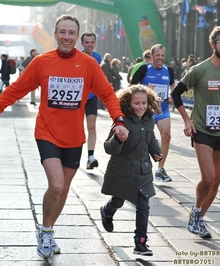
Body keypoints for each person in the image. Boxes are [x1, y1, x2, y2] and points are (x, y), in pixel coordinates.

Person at [0, 14, 128, 259]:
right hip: (46, 133)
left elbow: (108, 94)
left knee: (63, 189)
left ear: (77, 37)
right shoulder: (42, 62)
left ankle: (47, 228)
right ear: (55, 34)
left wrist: (118, 120)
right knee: (56, 184)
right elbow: (15, 91)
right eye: (62, 32)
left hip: (74, 137)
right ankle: (46, 231)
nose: (66, 37)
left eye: (71, 33)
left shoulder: (88, 64)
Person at [171, 25, 220, 239]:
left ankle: (198, 216)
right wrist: (187, 120)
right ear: (212, 44)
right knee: (208, 177)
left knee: (216, 181)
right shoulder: (200, 69)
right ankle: (197, 208)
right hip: (202, 129)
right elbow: (176, 93)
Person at [100, 85, 162, 256]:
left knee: (143, 205)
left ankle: (140, 243)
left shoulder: (149, 118)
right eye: (137, 103)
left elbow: (150, 137)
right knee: (118, 201)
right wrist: (118, 140)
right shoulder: (122, 120)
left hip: (143, 171)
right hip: (123, 171)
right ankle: (107, 211)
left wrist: (156, 151)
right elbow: (108, 148)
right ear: (128, 103)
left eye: (144, 103)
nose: (141, 107)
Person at [131, 44, 175, 182]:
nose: (160, 58)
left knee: (167, 136)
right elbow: (131, 87)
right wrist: (144, 89)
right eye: (158, 55)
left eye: (162, 55)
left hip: (162, 110)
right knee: (143, 140)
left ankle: (160, 170)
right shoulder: (144, 68)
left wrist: (173, 95)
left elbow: (173, 85)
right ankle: (138, 168)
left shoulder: (169, 70)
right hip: (145, 112)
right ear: (151, 56)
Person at [80, 31, 102, 170]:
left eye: (92, 42)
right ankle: (71, 154)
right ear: (82, 43)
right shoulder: (77, 56)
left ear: (95, 43)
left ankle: (90, 157)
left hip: (92, 96)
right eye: (87, 42)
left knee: (92, 125)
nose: (89, 45)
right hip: (78, 96)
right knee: (75, 127)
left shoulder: (98, 58)